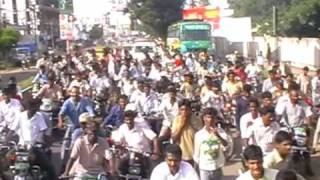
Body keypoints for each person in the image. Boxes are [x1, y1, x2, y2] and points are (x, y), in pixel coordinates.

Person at [114, 110, 160, 177]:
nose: (129, 122)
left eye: (130, 119)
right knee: (120, 169)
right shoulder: (122, 128)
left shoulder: (142, 126)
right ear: (124, 120)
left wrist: (156, 152)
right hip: (129, 154)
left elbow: (154, 138)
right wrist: (119, 146)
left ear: (133, 119)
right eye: (127, 120)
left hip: (144, 154)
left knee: (152, 172)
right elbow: (118, 140)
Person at [193, 108, 227, 180]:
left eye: (212, 117)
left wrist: (217, 135)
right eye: (208, 117)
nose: (210, 120)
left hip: (217, 167)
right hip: (204, 168)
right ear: (204, 118)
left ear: (215, 119)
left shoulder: (220, 132)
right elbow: (196, 153)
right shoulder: (199, 135)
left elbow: (226, 144)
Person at [171, 99, 197, 164]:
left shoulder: (196, 119)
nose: (184, 112)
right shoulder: (177, 120)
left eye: (186, 110)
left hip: (195, 153)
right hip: (183, 154)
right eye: (182, 110)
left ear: (190, 110)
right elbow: (173, 138)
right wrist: (182, 125)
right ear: (179, 110)